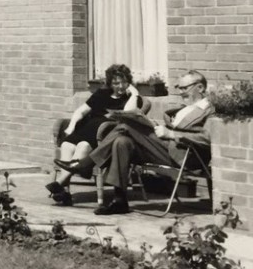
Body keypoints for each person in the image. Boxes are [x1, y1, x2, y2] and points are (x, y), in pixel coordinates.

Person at [55, 70, 213, 215]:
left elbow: (208, 138)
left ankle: (86, 163)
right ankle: (120, 200)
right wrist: (157, 127)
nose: (180, 92)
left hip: (183, 155)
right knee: (122, 142)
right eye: (179, 88)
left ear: (199, 87)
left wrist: (172, 134)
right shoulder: (186, 107)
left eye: (184, 88)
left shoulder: (208, 110)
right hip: (164, 148)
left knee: (126, 125)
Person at [46, 63, 143, 206]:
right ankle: (63, 191)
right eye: (116, 83)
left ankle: (59, 183)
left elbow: (128, 113)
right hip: (85, 128)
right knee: (66, 145)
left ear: (129, 82)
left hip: (103, 135)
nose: (120, 86)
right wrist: (71, 127)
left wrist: (134, 93)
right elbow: (81, 111)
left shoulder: (132, 99)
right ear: (110, 83)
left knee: (83, 146)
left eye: (124, 82)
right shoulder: (101, 94)